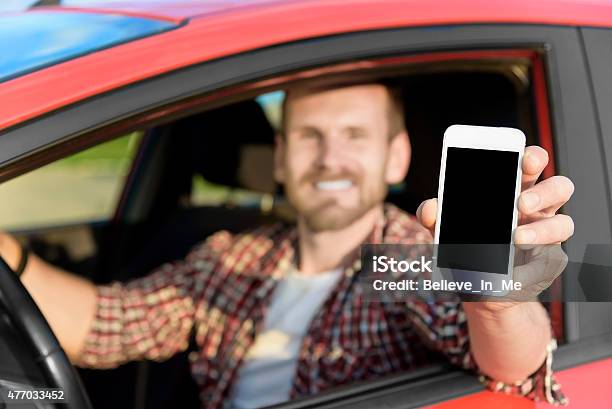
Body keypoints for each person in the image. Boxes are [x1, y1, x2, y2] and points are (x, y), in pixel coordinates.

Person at [0, 82, 574, 408]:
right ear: (281, 157)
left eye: (354, 136)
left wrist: (496, 301)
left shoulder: (411, 256)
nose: (329, 158)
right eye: (309, 136)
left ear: (396, 156)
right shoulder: (231, 256)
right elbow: (106, 325)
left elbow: (511, 363)